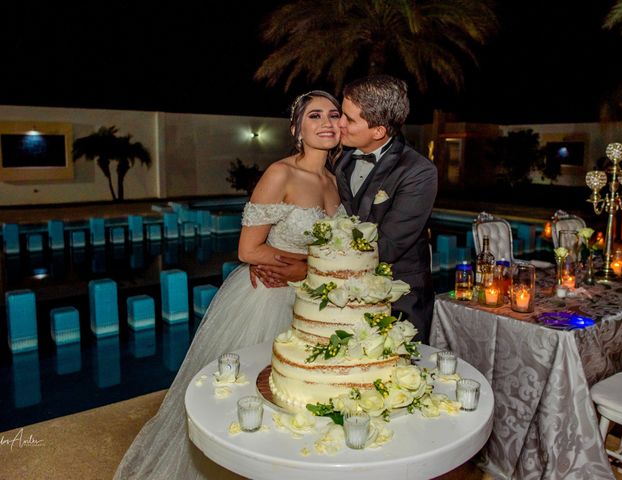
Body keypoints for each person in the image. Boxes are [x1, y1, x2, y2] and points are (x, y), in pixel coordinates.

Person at [113, 90, 342, 480]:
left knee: (304, 400)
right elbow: (249, 249)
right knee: (254, 397)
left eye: (334, 115)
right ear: (296, 128)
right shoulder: (281, 173)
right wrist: (304, 265)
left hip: (317, 301)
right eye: (315, 116)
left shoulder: (333, 180)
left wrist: (310, 270)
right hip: (269, 298)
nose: (327, 123)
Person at [254, 75, 438, 343]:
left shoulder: (418, 172)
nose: (338, 124)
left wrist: (307, 268)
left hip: (395, 296)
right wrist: (268, 255)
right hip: (337, 298)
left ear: (378, 132)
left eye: (348, 119)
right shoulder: (342, 160)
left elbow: (385, 247)